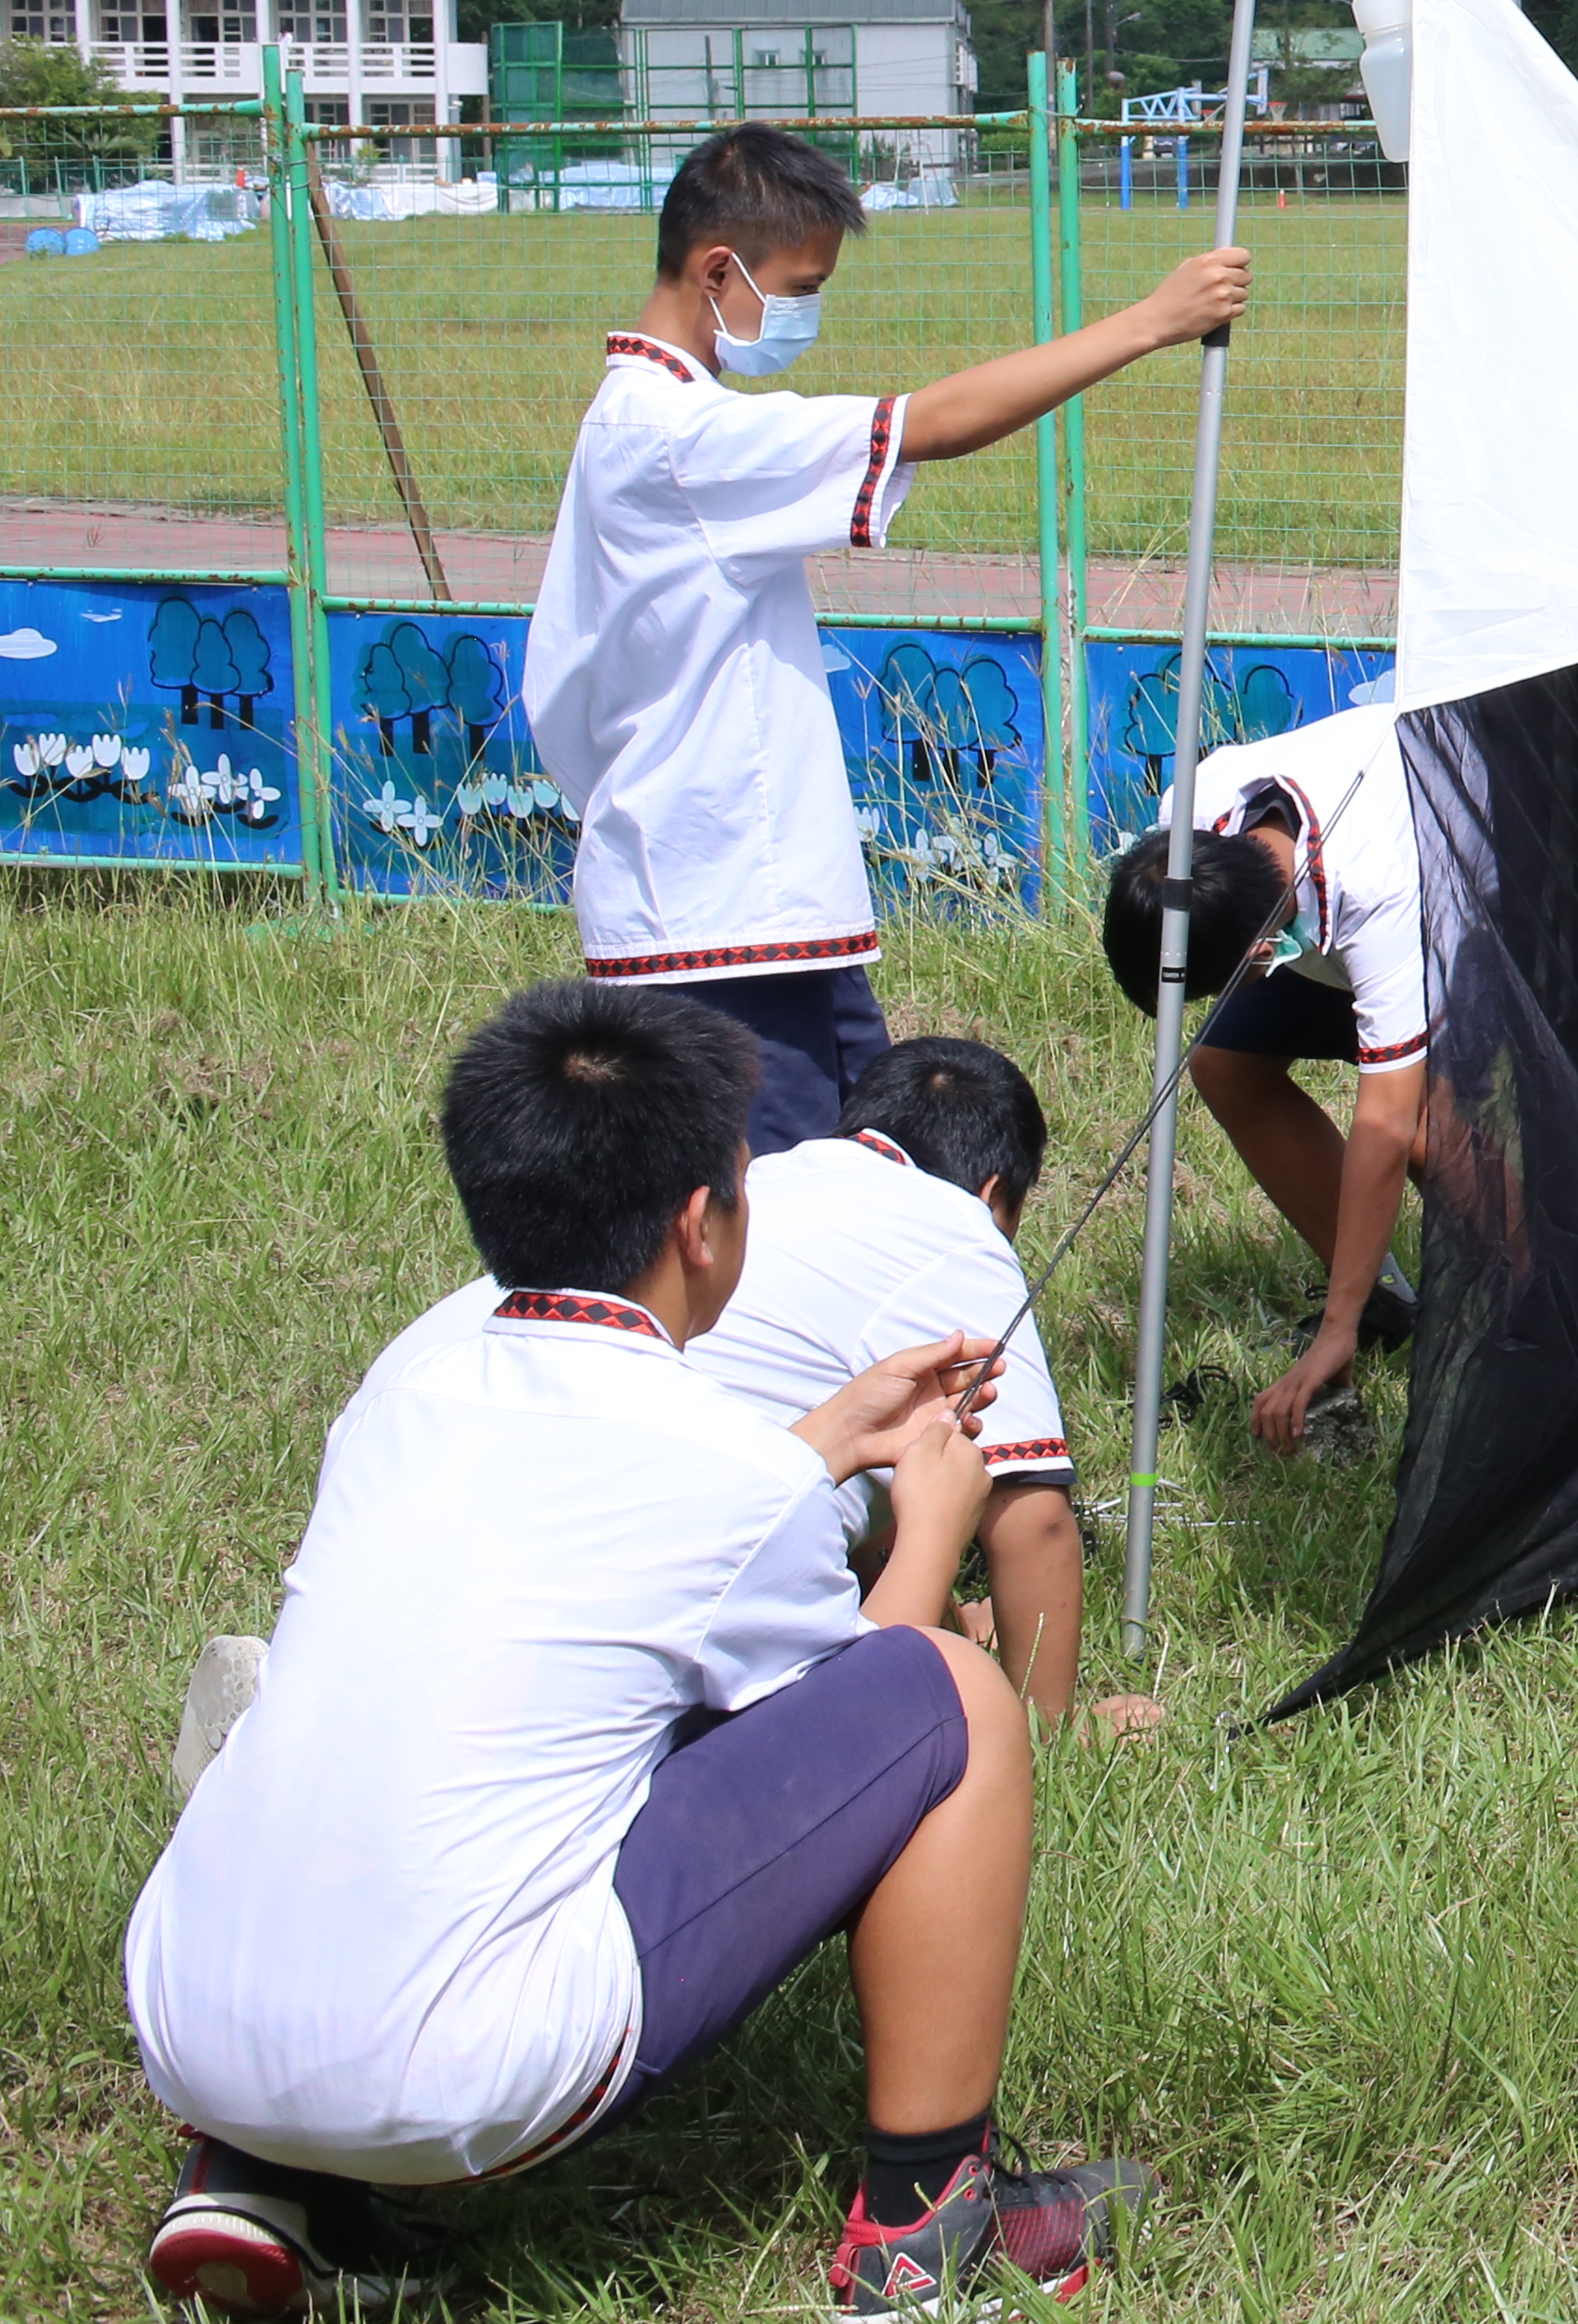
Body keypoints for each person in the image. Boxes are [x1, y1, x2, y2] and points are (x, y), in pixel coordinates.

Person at [123, 981, 1145, 2317]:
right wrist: (927, 1526)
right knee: (951, 1691)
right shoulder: (718, 1461)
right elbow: (865, 1721)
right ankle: (925, 2217)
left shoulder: (409, 1373)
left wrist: (830, 1435)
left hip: (189, 2026)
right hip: (470, 2075)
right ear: (699, 1225)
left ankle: (269, 2179)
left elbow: (617, 1546)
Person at [527, 120, 1247, 1157]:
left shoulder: (668, 417)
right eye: (802, 287)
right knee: (772, 1195)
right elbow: (932, 422)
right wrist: (1150, 322)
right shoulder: (677, 439)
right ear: (718, 269)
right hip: (716, 913)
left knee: (867, 1158)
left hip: (755, 902)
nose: (807, 313)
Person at [688, 1035, 1153, 1736]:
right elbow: (1033, 1514)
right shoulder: (959, 1227)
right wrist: (1049, 1727)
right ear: (996, 1192)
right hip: (728, 1597)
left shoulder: (772, 1178)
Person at [1096, 697, 1434, 1453]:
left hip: (1463, 903)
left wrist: (1332, 1329)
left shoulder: (1375, 886)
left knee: (1427, 1139)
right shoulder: (1194, 815)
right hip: (1308, 915)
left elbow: (1383, 1120)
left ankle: (1520, 1312)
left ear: (1256, 960)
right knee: (1225, 1062)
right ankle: (1385, 1301)